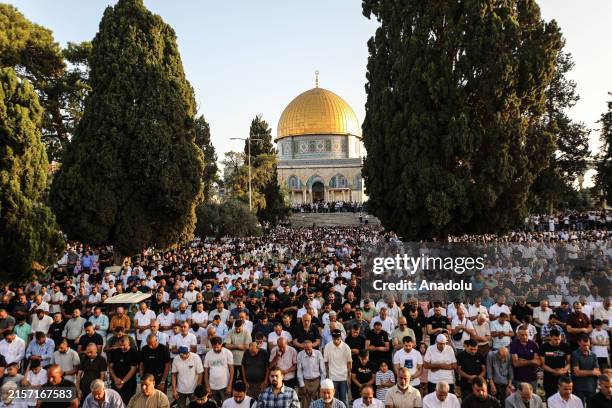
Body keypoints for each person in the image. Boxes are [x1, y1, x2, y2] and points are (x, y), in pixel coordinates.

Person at [539, 329, 570, 401]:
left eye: (559, 339)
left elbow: (568, 362)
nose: (557, 341)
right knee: (550, 397)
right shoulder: (544, 347)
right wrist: (554, 371)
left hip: (563, 374)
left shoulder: (565, 346)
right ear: (550, 337)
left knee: (565, 396)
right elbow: (542, 364)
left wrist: (563, 370)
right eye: (555, 339)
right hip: (549, 375)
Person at [323, 329, 352, 406]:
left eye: (338, 339)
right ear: (332, 338)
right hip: (332, 377)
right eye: (334, 338)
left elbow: (349, 363)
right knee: (333, 400)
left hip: (344, 377)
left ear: (341, 337)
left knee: (344, 399)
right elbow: (326, 363)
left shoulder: (346, 347)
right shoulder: (327, 347)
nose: (336, 340)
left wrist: (349, 376)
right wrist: (328, 376)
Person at [203, 337, 234, 405]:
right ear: (212, 346)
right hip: (212, 386)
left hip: (225, 386)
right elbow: (205, 372)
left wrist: (229, 386)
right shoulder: (208, 354)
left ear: (221, 344)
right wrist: (207, 386)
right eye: (214, 347)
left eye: (218, 347)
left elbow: (231, 370)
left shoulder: (228, 353)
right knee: (213, 405)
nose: (216, 349)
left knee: (227, 405)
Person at [570, 334, 600, 404]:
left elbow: (597, 372)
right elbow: (577, 372)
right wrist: (592, 372)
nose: (586, 347)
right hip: (578, 387)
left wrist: (583, 372)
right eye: (584, 345)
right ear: (579, 343)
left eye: (588, 345)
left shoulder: (594, 355)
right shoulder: (575, 354)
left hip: (591, 387)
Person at [509, 325, 540, 390]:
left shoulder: (534, 344)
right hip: (519, 378)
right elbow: (516, 363)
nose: (524, 337)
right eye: (522, 335)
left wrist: (521, 360)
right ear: (518, 334)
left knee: (532, 397)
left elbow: (537, 362)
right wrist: (531, 361)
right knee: (519, 397)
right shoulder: (513, 344)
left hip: (532, 377)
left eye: (526, 334)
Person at [109, 337, 139, 404]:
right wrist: (115, 379)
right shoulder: (115, 352)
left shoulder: (134, 353)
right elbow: (110, 367)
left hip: (129, 385)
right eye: (120, 345)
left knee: (129, 404)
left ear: (129, 343)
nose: (122, 347)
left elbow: (133, 369)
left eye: (124, 345)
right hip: (116, 383)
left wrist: (123, 382)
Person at [296, 339, 325, 408]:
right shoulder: (300, 354)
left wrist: (321, 384)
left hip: (316, 381)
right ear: (303, 348)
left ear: (312, 346)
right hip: (306, 381)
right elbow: (299, 371)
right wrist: (302, 385)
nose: (308, 351)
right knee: (305, 404)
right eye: (306, 349)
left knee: (318, 403)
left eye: (309, 349)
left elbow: (323, 371)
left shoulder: (318, 353)